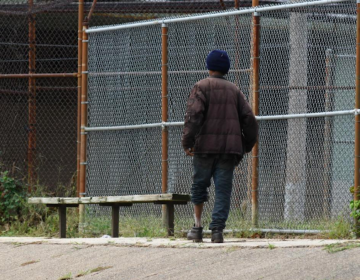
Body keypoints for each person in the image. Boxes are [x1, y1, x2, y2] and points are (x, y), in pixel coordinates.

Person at [181, 49, 258, 243]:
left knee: (199, 186)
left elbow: (193, 116)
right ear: (226, 69)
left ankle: (197, 228)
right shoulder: (234, 90)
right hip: (228, 150)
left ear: (209, 66)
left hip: (204, 148)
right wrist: (246, 145)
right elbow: (249, 119)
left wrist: (187, 141)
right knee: (223, 189)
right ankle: (217, 231)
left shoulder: (201, 86)